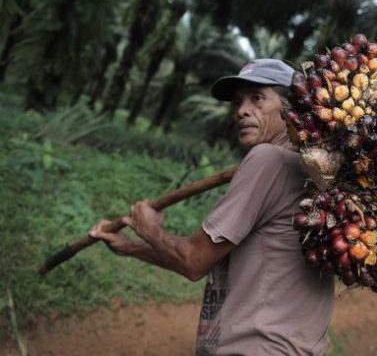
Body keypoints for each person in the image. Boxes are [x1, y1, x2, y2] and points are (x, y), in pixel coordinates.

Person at [89, 59, 335, 355]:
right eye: (237, 102)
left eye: (257, 98)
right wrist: (130, 247)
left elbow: (193, 260)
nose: (242, 110)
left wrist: (150, 231)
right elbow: (213, 257)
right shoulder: (312, 175)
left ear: (290, 108)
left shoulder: (267, 160)